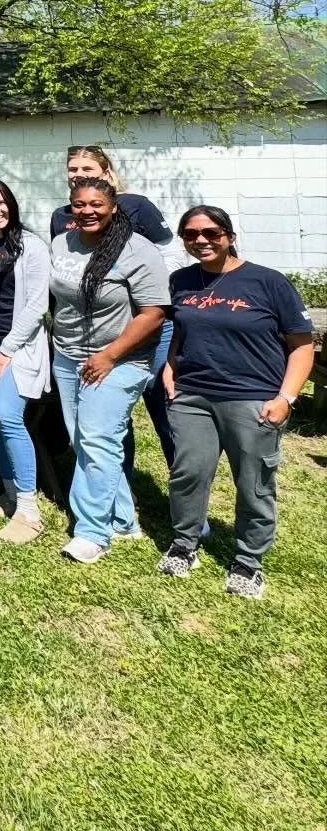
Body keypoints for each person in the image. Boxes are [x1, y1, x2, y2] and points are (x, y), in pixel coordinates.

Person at [156, 206, 315, 598]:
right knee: (188, 473)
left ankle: (248, 562)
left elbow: (302, 345)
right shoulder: (181, 281)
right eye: (191, 235)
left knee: (254, 483)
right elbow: (181, 331)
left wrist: (285, 398)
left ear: (229, 235)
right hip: (193, 396)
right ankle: (184, 544)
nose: (201, 241)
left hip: (253, 399)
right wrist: (170, 369)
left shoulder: (267, 282)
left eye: (210, 232)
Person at [48, 177, 169, 564]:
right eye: (79, 205)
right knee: (83, 440)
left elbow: (154, 314)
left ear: (113, 206)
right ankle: (123, 519)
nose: (87, 211)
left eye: (96, 204)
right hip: (67, 355)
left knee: (98, 439)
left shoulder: (138, 251)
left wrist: (109, 355)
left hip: (120, 360)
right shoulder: (61, 243)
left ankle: (91, 532)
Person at [48, 144, 180, 469]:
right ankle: (124, 485)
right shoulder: (62, 216)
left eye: (87, 169)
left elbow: (171, 254)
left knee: (164, 408)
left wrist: (148, 297)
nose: (79, 174)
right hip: (94, 334)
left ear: (106, 172)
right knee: (112, 417)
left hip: (146, 324)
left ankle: (185, 497)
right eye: (73, 170)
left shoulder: (136, 206)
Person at [0, 178, 51, 544]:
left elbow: (37, 304)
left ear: (10, 204)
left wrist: (7, 349)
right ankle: (10, 493)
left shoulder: (30, 245)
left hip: (19, 349)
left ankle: (30, 511)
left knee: (7, 415)